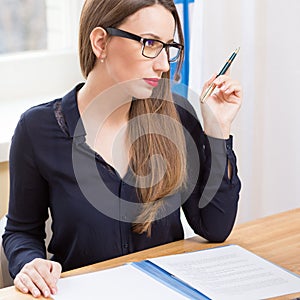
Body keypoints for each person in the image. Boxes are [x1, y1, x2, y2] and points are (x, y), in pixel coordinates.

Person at [2, 0, 242, 298]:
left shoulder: (177, 121)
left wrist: (217, 130)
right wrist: (30, 263)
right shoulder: (37, 129)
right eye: (151, 43)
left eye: (169, 47)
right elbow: (21, 232)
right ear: (101, 42)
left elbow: (215, 227)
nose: (164, 64)